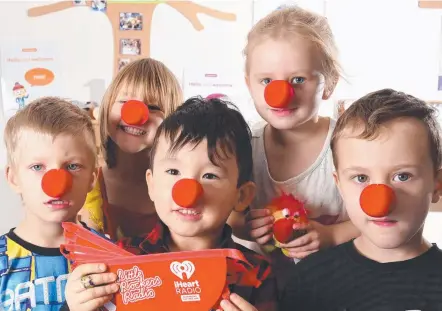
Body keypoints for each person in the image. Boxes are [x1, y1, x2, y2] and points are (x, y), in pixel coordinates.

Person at [64, 97, 278, 311]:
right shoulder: (122, 259)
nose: (188, 191)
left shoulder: (256, 273)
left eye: (210, 175)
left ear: (241, 196)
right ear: (152, 184)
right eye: (173, 172)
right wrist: (75, 306)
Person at [280, 89, 442, 310]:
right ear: (340, 185)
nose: (380, 201)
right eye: (361, 178)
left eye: (402, 176)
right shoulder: (308, 280)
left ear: (436, 185)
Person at [228, 6, 359, 278]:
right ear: (249, 84)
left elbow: (374, 221)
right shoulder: (243, 145)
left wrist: (332, 235)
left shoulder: (348, 145)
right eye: (266, 80)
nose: (281, 94)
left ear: (330, 83)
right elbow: (222, 211)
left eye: (298, 79)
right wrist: (243, 225)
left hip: (331, 287)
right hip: (261, 291)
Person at [0, 97, 97, 310]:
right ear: (13, 178)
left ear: (92, 178)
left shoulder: (107, 254)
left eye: (72, 166)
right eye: (37, 167)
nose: (56, 184)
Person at [78, 58, 183, 240]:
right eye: (124, 102)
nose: (135, 116)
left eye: (152, 107)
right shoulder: (85, 184)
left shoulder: (179, 185)